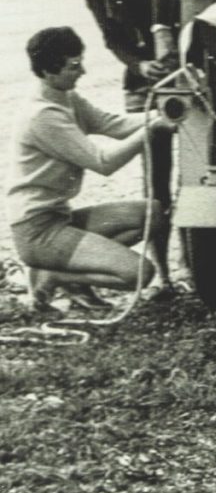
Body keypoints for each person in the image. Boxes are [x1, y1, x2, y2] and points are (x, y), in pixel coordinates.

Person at [29, 0, 180, 291]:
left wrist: (163, 31)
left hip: (184, 61)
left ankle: (196, 260)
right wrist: (139, 64)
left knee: (199, 172)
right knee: (155, 178)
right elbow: (111, 38)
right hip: (145, 78)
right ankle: (166, 274)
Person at [6, 27, 175, 317]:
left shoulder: (65, 96)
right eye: (74, 66)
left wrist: (167, 114)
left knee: (153, 213)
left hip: (60, 220)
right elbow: (103, 162)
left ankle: (72, 277)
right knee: (139, 273)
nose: (82, 71)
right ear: (48, 70)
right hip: (38, 232)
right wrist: (152, 129)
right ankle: (55, 277)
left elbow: (115, 125)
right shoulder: (43, 116)